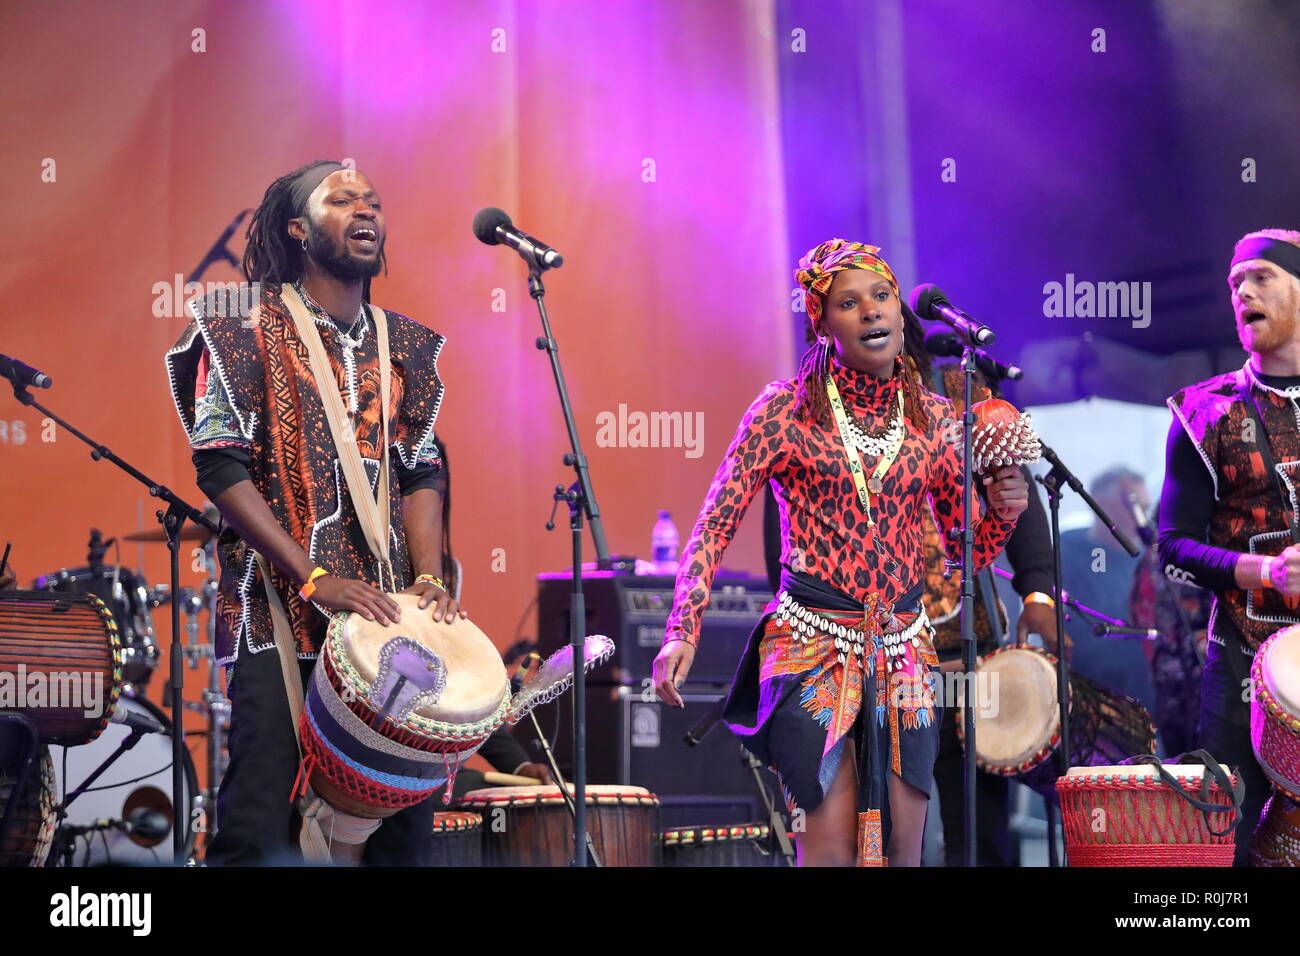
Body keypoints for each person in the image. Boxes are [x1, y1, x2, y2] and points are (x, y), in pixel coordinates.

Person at [654, 239, 1027, 866]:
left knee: (906, 847)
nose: (871, 312)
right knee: (828, 844)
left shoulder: (933, 419)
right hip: (810, 642)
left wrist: (1005, 515)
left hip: (904, 646)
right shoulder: (784, 410)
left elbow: (966, 555)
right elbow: (715, 522)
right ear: (822, 323)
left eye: (881, 297)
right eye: (849, 303)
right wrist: (682, 624)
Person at [165, 160, 462, 865]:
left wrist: (427, 579)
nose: (366, 209)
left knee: (401, 831)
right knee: (260, 824)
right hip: (278, 614)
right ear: (298, 228)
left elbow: (422, 469)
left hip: (387, 622)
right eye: (342, 199)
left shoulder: (407, 347)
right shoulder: (238, 325)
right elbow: (219, 465)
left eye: (374, 201)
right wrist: (312, 577)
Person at [1158, 227, 1300, 865]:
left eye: (1262, 276)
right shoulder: (1203, 411)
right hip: (1242, 657)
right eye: (1235, 283)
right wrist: (1263, 569)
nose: (1243, 290)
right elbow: (1173, 546)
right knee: (1222, 842)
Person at [1058, 466, 1158, 715]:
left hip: (1151, 700)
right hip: (1091, 703)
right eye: (1133, 506)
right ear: (1100, 506)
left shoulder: (1149, 559)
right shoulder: (1067, 552)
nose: (1141, 519)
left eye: (1145, 508)